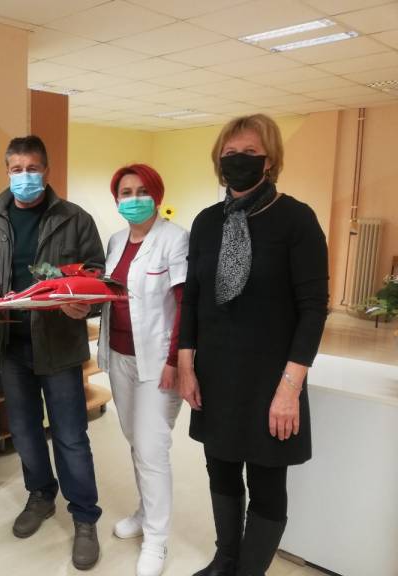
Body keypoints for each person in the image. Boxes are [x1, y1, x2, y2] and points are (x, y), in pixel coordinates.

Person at [178, 114, 328, 576]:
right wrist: (186, 364)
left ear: (269, 160)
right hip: (216, 374)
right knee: (220, 469)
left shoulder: (296, 219)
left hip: (272, 379)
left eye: (249, 153)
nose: (237, 161)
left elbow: (313, 309)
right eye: (229, 153)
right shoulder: (206, 222)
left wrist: (290, 388)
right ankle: (225, 559)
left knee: (266, 481)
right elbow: (193, 299)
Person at [0, 135, 105, 570]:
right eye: (16, 169)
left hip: (59, 346)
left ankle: (84, 517)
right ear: (7, 171)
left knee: (70, 436)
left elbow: (97, 278)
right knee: (25, 432)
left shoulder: (74, 219)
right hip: (9, 347)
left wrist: (86, 304)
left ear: (46, 170)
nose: (25, 176)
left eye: (32, 168)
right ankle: (41, 495)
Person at [97, 164, 187, 576]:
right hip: (119, 356)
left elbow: (184, 305)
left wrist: (175, 361)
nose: (133, 199)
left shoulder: (175, 238)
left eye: (141, 191)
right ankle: (144, 511)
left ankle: (157, 539)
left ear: (157, 194)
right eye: (125, 192)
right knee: (135, 441)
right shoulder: (116, 241)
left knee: (152, 449)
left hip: (157, 363)